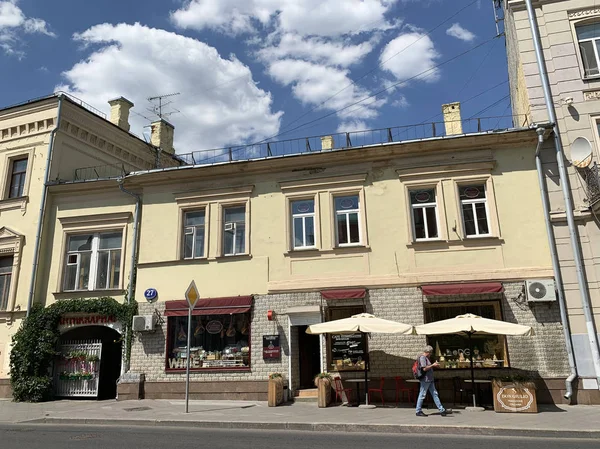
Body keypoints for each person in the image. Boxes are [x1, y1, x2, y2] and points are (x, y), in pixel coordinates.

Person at [415, 345, 447, 417]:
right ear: (428, 352)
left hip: (430, 379)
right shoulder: (423, 358)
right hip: (425, 379)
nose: (431, 354)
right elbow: (424, 369)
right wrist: (433, 365)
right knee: (422, 394)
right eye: (430, 352)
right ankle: (418, 410)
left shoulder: (426, 358)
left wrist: (434, 365)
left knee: (435, 394)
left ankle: (441, 409)